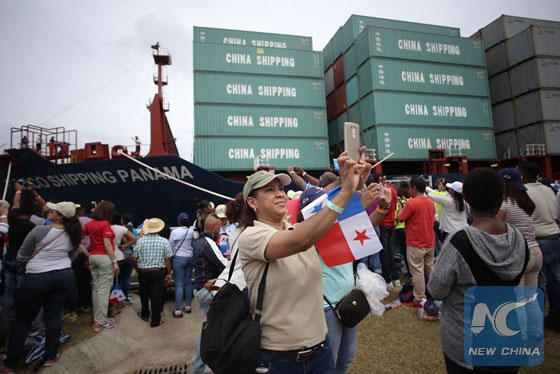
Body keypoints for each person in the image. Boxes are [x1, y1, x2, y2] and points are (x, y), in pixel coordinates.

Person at [239, 150, 365, 374]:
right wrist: (345, 191)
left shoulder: (298, 230)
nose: (280, 194)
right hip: (279, 358)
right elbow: (301, 240)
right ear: (252, 202)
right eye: (270, 190)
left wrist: (354, 183)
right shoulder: (251, 237)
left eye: (281, 189)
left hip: (321, 350)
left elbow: (346, 230)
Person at [428, 168, 528, 372]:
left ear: (467, 199)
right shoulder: (518, 238)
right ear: (501, 199)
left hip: (467, 344)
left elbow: (436, 290)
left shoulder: (459, 242)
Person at [299, 181, 390, 374]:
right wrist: (359, 204)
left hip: (348, 302)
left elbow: (366, 226)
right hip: (327, 308)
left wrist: (383, 206)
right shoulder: (306, 235)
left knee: (346, 357)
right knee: (328, 361)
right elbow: (330, 232)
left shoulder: (336, 229)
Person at [2, 201, 81, 372]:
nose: (48, 211)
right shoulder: (73, 233)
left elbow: (22, 254)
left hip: (37, 276)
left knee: (23, 320)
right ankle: (50, 356)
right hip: (64, 275)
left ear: (59, 215)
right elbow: (73, 255)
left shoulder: (39, 230)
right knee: (54, 316)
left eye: (52, 211)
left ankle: (10, 363)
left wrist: (27, 263)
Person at [518, 161, 560, 331]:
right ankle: (556, 312)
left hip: (539, 239)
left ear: (523, 174)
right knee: (555, 278)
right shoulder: (548, 189)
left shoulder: (524, 192)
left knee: (538, 281)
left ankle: (537, 322)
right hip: (555, 236)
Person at [192, 214, 228, 374]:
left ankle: (200, 367)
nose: (220, 231)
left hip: (199, 289)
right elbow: (224, 265)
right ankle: (201, 367)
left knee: (208, 328)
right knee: (216, 328)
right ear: (214, 228)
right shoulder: (209, 243)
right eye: (219, 228)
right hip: (207, 291)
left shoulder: (199, 242)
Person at [496, 168, 542, 287]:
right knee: (531, 299)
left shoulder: (504, 203)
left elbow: (497, 229)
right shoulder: (527, 201)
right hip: (535, 251)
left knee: (518, 300)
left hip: (519, 254)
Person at [82, 201, 120, 332]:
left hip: (93, 256)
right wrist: (114, 261)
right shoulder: (105, 224)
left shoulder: (90, 224)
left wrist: (87, 253)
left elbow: (78, 239)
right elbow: (107, 244)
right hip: (104, 257)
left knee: (97, 288)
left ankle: (97, 317)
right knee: (104, 289)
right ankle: (101, 321)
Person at [398, 177, 435, 306]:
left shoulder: (412, 203)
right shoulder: (430, 202)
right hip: (430, 241)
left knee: (417, 271)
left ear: (413, 188)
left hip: (415, 243)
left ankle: (419, 297)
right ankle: (436, 292)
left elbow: (401, 218)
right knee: (430, 269)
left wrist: (402, 207)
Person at [4, 184, 36, 320]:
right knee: (23, 290)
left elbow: (15, 204)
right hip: (22, 261)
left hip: (9, 258)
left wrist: (18, 190)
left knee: (8, 290)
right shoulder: (32, 227)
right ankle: (23, 317)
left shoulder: (11, 220)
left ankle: (8, 316)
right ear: (32, 212)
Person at [133, 218, 172, 327]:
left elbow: (135, 258)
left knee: (144, 293)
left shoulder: (140, 241)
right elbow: (167, 259)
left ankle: (145, 314)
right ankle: (155, 320)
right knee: (157, 295)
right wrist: (169, 273)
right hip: (158, 272)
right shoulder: (164, 241)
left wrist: (137, 269)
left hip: (143, 271)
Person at [169, 212, 194, 317]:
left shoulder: (175, 232)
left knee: (179, 284)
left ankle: (178, 310)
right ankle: (188, 306)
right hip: (190, 257)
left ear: (178, 221)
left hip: (179, 258)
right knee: (188, 283)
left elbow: (170, 246)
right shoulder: (191, 231)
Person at [119, 213, 138, 304]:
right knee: (126, 278)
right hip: (130, 255)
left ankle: (119, 298)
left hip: (120, 256)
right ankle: (126, 296)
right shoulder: (134, 231)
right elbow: (136, 241)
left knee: (119, 278)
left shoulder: (120, 230)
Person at [395, 181, 410, 274]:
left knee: (404, 251)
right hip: (409, 229)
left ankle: (409, 271)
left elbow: (396, 216)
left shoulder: (398, 203)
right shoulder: (411, 202)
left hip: (400, 228)